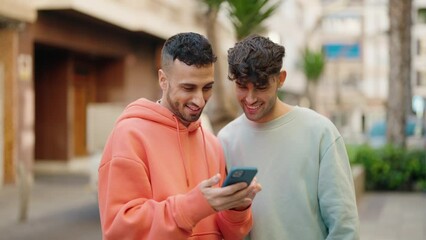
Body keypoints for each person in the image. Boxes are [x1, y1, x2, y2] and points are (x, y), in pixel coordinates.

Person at [97, 32, 262, 240]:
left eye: (207, 88)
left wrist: (237, 207)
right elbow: (120, 231)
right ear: (163, 80)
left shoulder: (211, 143)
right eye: (188, 88)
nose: (200, 100)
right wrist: (192, 207)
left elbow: (229, 233)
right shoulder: (129, 135)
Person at [218, 35, 360, 239]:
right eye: (242, 86)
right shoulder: (226, 140)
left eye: (261, 86)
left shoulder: (320, 131)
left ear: (281, 79)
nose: (250, 98)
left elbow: (344, 224)